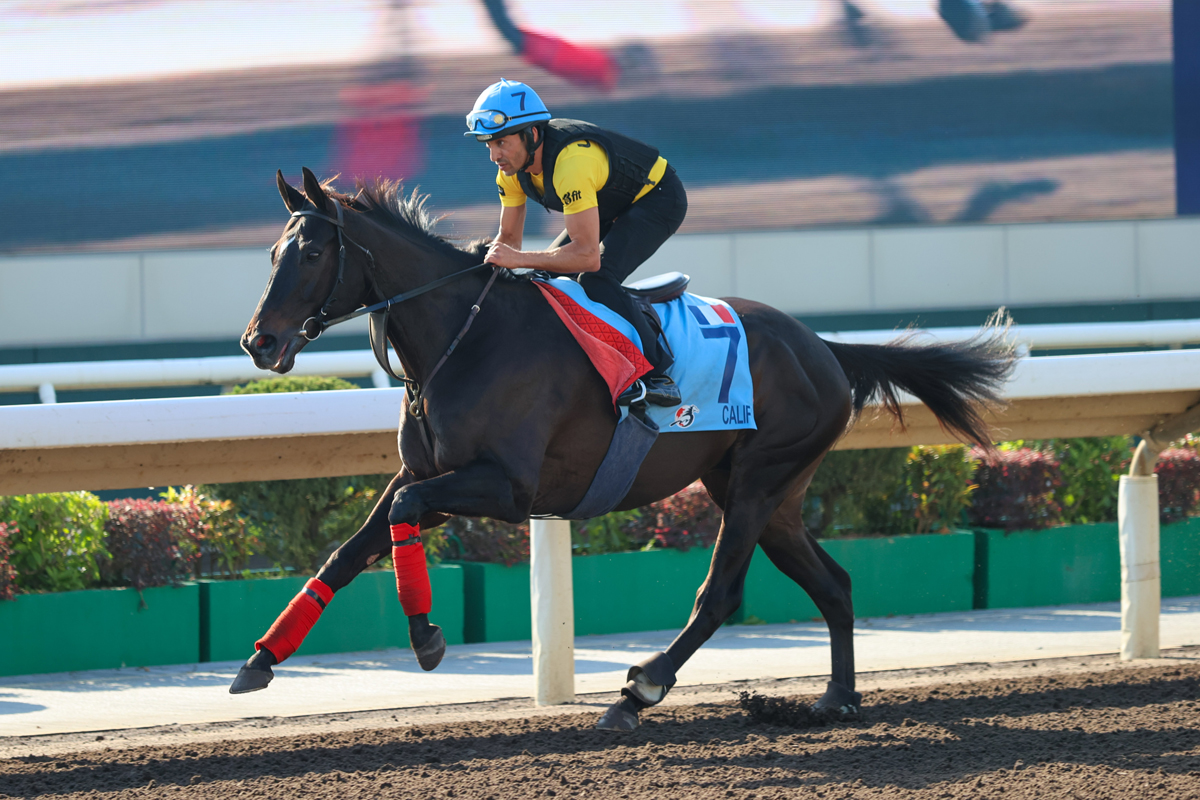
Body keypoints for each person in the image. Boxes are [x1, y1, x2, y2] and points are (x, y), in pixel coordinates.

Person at [466, 78, 686, 407]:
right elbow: (508, 241)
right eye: (487, 145)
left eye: (500, 142)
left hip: (655, 199)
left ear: (532, 134)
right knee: (548, 279)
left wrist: (520, 260)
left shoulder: (571, 164)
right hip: (610, 203)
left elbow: (586, 257)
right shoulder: (511, 170)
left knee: (596, 278)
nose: (494, 155)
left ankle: (658, 376)